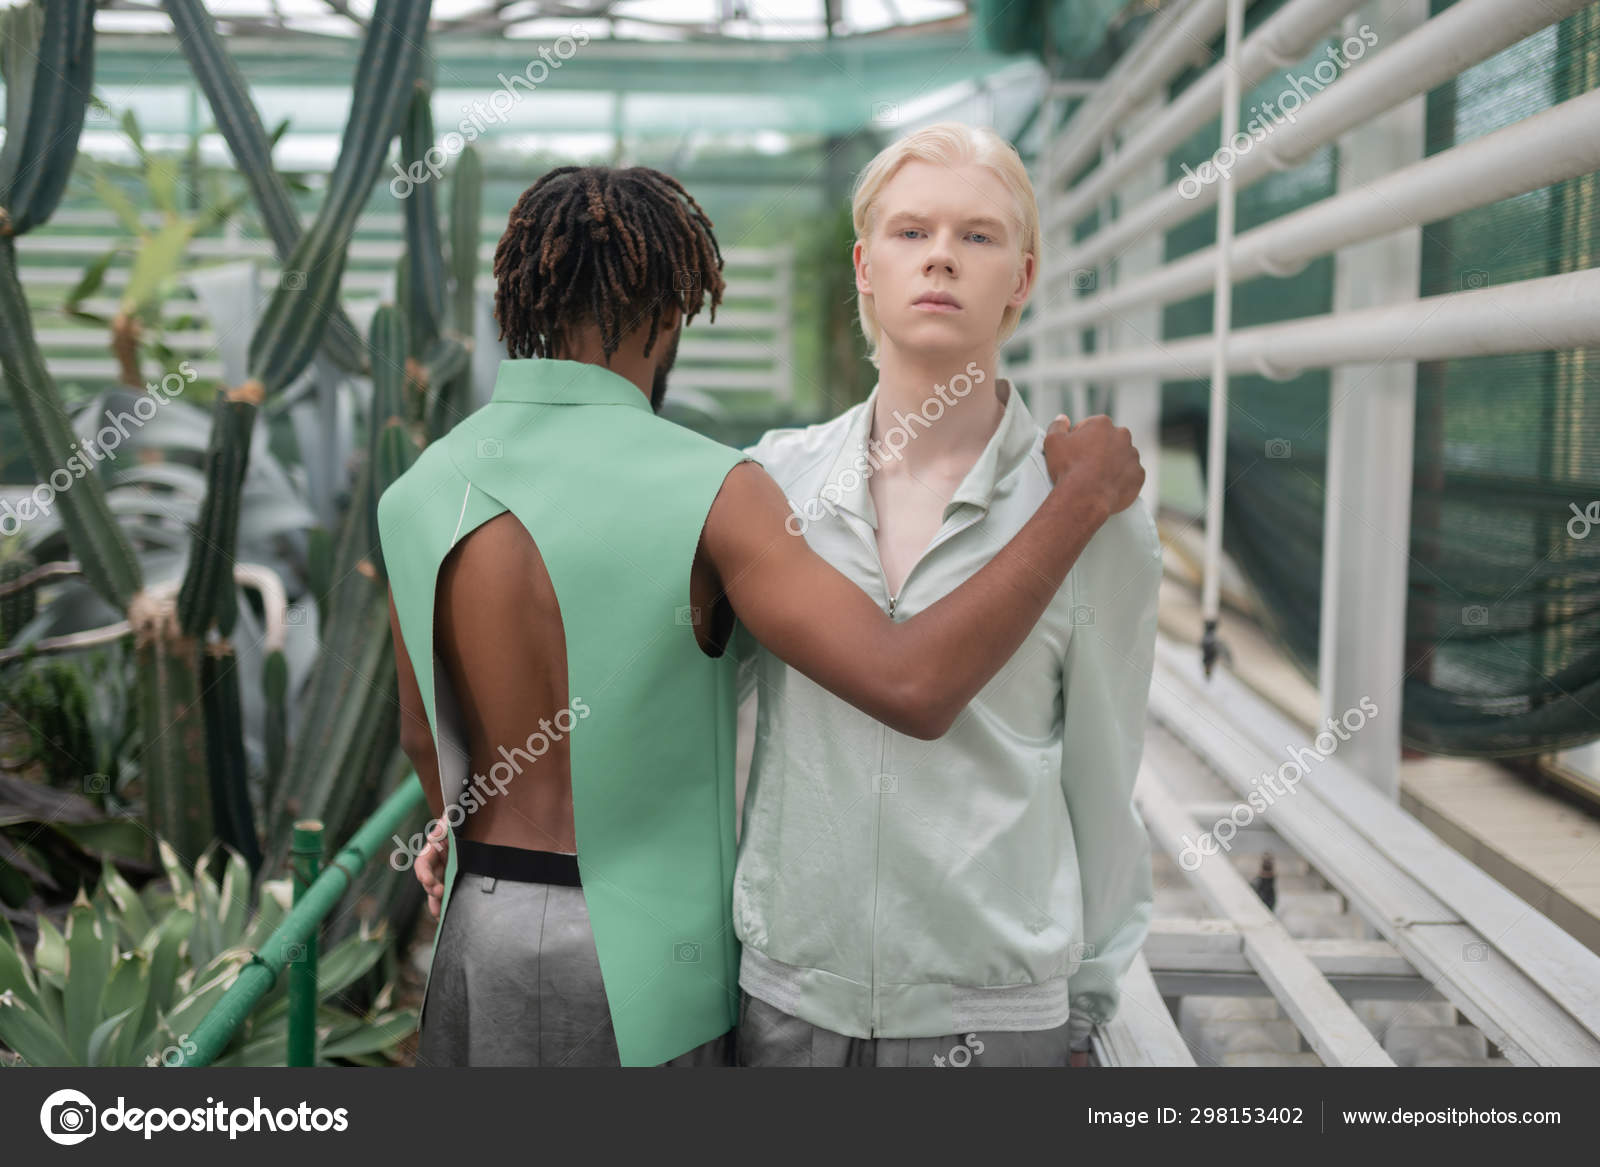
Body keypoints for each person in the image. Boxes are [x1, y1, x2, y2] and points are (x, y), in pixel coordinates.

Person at [384, 163, 1147, 1067]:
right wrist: (1079, 502)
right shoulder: (714, 484)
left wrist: (460, 820)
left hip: (482, 933)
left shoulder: (421, 486)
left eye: (975, 236)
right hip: (648, 966)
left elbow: (425, 736)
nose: (941, 257)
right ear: (671, 311)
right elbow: (909, 681)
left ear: (519, 298)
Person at [728, 122, 1162, 1068]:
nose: (941, 258)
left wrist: (1083, 1004)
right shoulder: (774, 486)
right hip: (791, 1000)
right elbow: (696, 725)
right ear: (864, 266)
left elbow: (1104, 770)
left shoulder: (1093, 513)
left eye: (978, 236)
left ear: (1023, 276)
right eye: (911, 231)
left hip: (996, 1017)